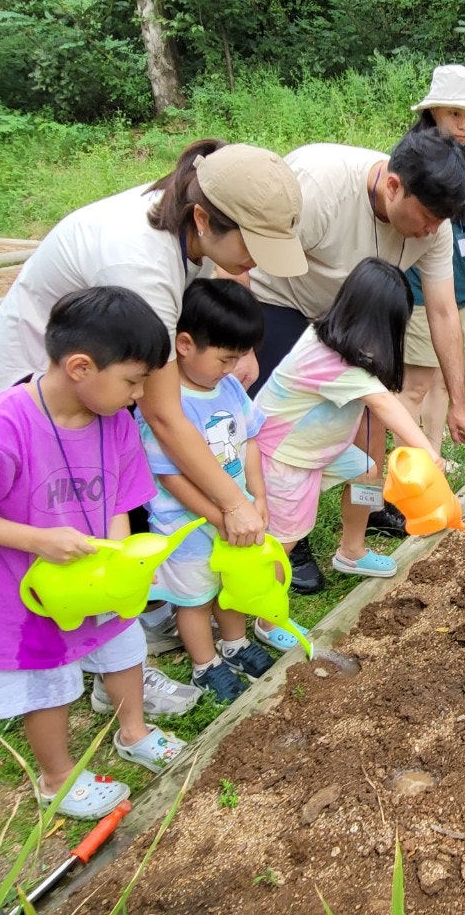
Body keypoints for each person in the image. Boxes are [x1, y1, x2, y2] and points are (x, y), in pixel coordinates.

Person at [0, 140, 306, 557]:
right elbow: (163, 415)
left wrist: (243, 351)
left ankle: (131, 595)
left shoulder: (189, 210)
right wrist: (235, 503)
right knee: (63, 509)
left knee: (112, 488)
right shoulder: (140, 268)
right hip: (41, 371)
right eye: (253, 246)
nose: (258, 261)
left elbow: (228, 277)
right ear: (204, 218)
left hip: (106, 369)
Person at [0, 287, 188, 819]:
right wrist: (38, 540)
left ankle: (133, 732)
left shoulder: (114, 422)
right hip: (24, 592)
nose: (140, 394)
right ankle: (56, 777)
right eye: (133, 380)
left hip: (95, 579)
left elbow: (120, 497)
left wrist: (119, 556)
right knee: (45, 681)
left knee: (123, 648)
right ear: (80, 367)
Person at [248, 129, 465, 585]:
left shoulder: (435, 223)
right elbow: (242, 257)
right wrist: (425, 448)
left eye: (441, 222)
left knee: (369, 448)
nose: (433, 231)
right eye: (428, 217)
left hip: (354, 322)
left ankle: (352, 547)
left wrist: (458, 400)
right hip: (283, 301)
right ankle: (288, 543)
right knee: (289, 446)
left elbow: (443, 309)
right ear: (393, 186)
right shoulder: (318, 187)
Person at [136, 280, 290, 702]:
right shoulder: (165, 405)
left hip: (234, 514)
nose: (233, 367)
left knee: (230, 584)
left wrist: (256, 495)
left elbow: (250, 439)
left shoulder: (229, 388)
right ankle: (206, 664)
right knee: (194, 598)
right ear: (184, 344)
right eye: (225, 358)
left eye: (238, 357)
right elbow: (170, 476)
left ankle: (235, 644)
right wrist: (220, 516)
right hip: (185, 524)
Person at [254, 258, 443, 582]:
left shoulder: (342, 340)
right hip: (285, 458)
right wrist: (428, 449)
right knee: (285, 538)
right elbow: (384, 403)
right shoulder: (331, 360)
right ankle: (266, 613)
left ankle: (351, 551)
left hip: (321, 448)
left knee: (366, 471)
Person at [400, 65, 465, 452]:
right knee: (417, 383)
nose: (464, 125)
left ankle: (434, 452)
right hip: (422, 291)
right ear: (432, 112)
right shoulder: (413, 162)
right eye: (455, 113)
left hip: (460, 285)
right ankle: (407, 464)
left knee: (444, 377)